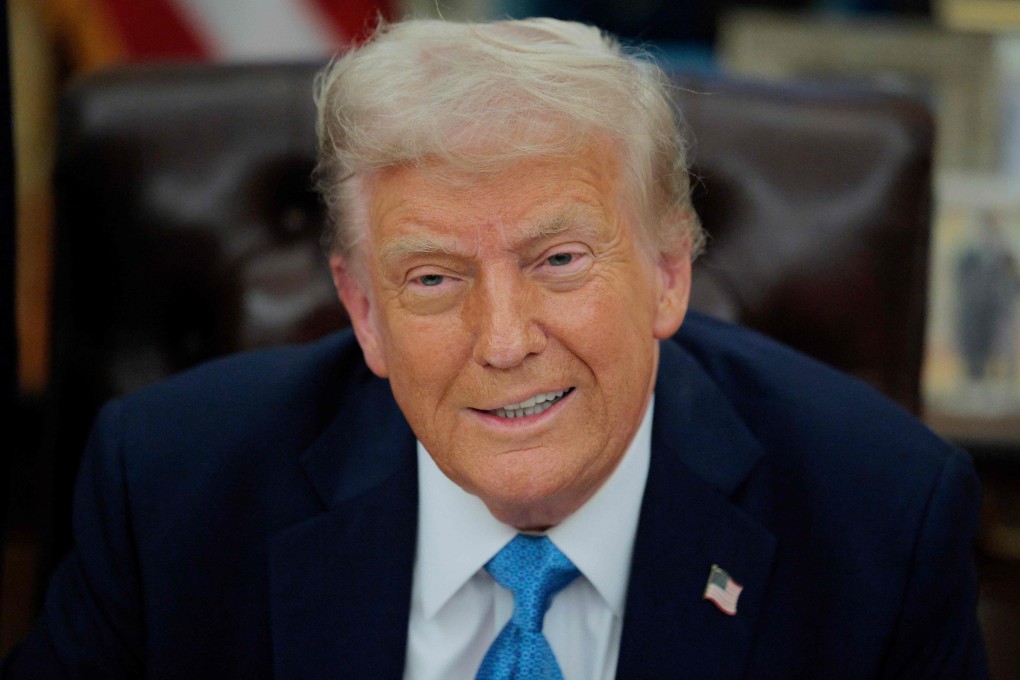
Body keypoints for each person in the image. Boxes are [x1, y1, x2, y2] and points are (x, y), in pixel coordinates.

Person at [4, 17, 987, 680]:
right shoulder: (171, 490)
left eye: (558, 259)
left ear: (669, 273)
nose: (505, 342)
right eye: (433, 278)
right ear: (363, 309)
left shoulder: (879, 518)